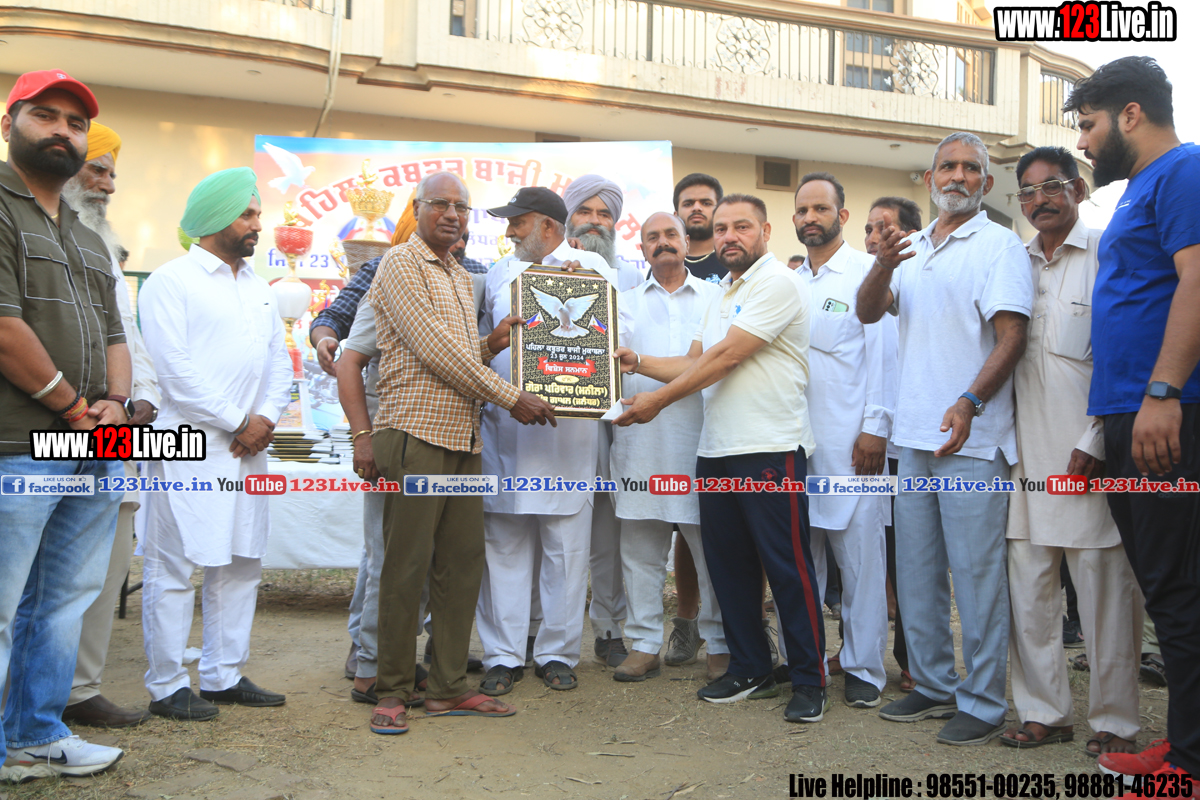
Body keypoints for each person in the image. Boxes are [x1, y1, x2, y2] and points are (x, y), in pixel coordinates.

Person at [615, 194, 828, 724]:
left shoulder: (778, 282)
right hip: (715, 449)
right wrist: (636, 362)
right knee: (730, 567)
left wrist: (656, 402)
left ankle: (809, 680)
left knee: (786, 567)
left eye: (742, 226)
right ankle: (750, 668)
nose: (730, 236)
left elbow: (728, 356)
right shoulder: (722, 292)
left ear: (766, 232)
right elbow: (695, 361)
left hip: (769, 447)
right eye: (722, 228)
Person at [857, 131, 1033, 746]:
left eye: (970, 168)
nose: (957, 176)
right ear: (929, 179)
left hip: (973, 442)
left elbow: (1012, 337)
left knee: (976, 577)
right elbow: (868, 311)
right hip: (912, 439)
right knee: (917, 572)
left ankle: (983, 702)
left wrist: (969, 402)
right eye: (947, 167)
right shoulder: (914, 248)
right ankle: (934, 685)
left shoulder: (998, 245)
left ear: (987, 182)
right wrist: (883, 264)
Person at [365, 172, 554, 734]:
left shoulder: (455, 273)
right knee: (407, 567)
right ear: (417, 208)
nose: (452, 214)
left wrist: (491, 345)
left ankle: (447, 686)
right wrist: (511, 396)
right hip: (414, 434)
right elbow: (436, 354)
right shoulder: (400, 263)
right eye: (441, 204)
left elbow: (459, 356)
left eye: (461, 207)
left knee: (461, 564)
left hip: (463, 437)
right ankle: (393, 688)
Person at [1064, 56, 1200, 790]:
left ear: (1130, 115)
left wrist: (1163, 391)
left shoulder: (1184, 171)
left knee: (1179, 590)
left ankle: (1192, 765)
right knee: (1167, 588)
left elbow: (1197, 278)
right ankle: (1185, 743)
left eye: (1088, 125)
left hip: (1165, 416)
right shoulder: (1144, 187)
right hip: (1130, 415)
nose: (1083, 142)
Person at [0, 69, 130, 784]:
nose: (62, 131)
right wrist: (78, 410)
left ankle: (36, 736)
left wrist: (117, 405)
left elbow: (114, 334)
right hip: (17, 445)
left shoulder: (84, 235)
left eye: (75, 123)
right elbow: (3, 328)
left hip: (96, 443)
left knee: (64, 600)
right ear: (9, 124)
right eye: (45, 115)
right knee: (2, 605)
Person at [998, 145, 1142, 756]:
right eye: (1028, 191)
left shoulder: (1109, 251)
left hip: (1088, 457)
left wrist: (1098, 438)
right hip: (1024, 460)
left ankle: (1116, 721)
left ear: (1078, 189)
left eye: (1052, 186)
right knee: (1030, 593)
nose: (1040, 200)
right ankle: (1045, 713)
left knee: (1106, 594)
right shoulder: (1013, 262)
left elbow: (1127, 352)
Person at [138, 167, 293, 721]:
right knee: (174, 565)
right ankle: (166, 686)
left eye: (258, 213)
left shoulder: (258, 287)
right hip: (188, 443)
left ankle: (223, 675)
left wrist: (265, 418)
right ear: (213, 217)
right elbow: (174, 371)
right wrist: (238, 420)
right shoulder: (170, 280)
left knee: (242, 560)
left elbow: (279, 361)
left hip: (249, 448)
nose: (257, 224)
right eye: (246, 214)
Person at [475, 186, 613, 694]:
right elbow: (481, 345)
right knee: (503, 549)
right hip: (507, 431)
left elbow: (615, 345)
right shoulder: (497, 273)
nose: (510, 230)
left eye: (519, 221)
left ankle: (556, 653)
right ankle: (502, 656)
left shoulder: (593, 271)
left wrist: (584, 289)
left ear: (549, 227)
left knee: (565, 552)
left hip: (566, 436)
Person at [60, 121, 160, 729]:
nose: (107, 184)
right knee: (41, 573)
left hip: (115, 427)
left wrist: (141, 399)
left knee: (109, 561)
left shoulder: (106, 248)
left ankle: (81, 689)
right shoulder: (29, 232)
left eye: (112, 173)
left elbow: (129, 338)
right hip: (51, 425)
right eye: (97, 169)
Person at [609, 212, 725, 682]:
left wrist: (639, 361)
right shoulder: (621, 303)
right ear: (642, 249)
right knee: (640, 551)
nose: (662, 243)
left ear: (687, 243)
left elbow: (706, 364)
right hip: (639, 442)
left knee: (713, 552)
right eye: (652, 237)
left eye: (670, 235)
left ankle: (720, 642)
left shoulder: (717, 298)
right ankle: (642, 644)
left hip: (703, 444)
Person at [792, 172, 891, 709]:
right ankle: (807, 661)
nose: (811, 218)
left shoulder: (866, 274)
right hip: (795, 445)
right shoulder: (788, 282)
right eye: (803, 210)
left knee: (860, 563)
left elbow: (884, 357)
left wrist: (876, 427)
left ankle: (863, 667)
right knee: (802, 561)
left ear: (842, 216)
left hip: (852, 447)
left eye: (821, 209)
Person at [563, 173, 645, 668]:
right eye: (585, 211)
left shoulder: (633, 278)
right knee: (562, 528)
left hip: (620, 419)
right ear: (567, 217)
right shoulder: (547, 266)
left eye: (605, 214)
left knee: (612, 530)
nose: (595, 222)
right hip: (560, 421)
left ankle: (611, 627)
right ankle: (541, 631)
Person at [863, 195, 920, 694]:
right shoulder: (864, 283)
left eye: (886, 228)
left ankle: (913, 660)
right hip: (861, 442)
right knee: (866, 554)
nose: (875, 237)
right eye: (869, 229)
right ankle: (859, 650)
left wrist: (881, 426)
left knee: (907, 558)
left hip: (904, 443)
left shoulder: (915, 280)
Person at [674, 173, 725, 283]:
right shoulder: (664, 265)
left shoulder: (736, 261)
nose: (697, 208)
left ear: (720, 212)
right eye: (688, 204)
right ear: (675, 215)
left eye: (706, 203)